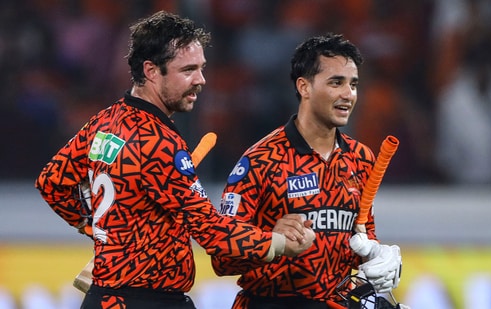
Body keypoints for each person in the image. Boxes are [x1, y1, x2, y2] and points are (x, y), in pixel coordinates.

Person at [35, 11, 314, 309]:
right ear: (152, 71)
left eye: (202, 68)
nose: (201, 80)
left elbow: (52, 184)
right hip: (148, 301)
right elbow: (211, 231)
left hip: (103, 298)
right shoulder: (159, 142)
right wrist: (279, 243)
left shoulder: (105, 121)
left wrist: (104, 232)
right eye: (188, 70)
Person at [211, 33, 403, 309]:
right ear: (304, 87)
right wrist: (272, 240)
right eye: (336, 83)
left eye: (353, 84)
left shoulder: (361, 158)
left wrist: (379, 257)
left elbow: (362, 238)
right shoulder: (261, 160)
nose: (348, 94)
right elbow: (221, 257)